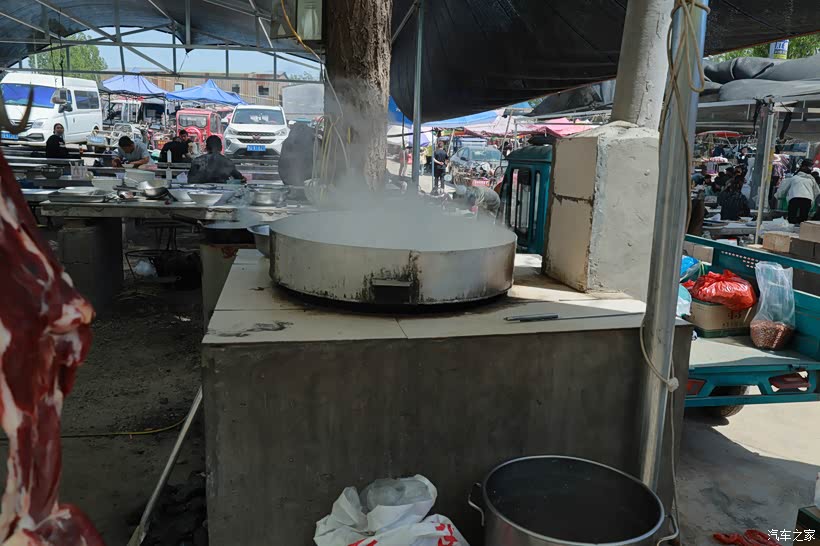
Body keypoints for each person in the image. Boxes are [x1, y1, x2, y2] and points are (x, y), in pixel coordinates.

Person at [775, 160, 820, 224]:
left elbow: (784, 189)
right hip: (807, 199)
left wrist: (777, 196)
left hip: (794, 198)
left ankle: (790, 227)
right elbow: (817, 192)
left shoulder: (794, 178)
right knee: (803, 219)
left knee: (792, 217)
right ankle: (801, 229)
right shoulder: (811, 180)